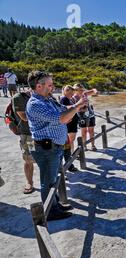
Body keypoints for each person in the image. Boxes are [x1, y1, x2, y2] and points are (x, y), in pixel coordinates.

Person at [26, 71, 88, 221]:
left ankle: (55, 204)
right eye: (49, 85)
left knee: (53, 179)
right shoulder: (35, 104)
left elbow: (64, 111)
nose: (53, 87)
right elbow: (61, 118)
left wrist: (77, 107)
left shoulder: (47, 100)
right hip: (46, 148)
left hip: (54, 146)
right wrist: (77, 106)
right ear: (38, 86)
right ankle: (50, 211)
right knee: (48, 181)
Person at [12, 89, 36, 194]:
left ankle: (51, 182)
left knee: (47, 157)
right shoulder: (19, 97)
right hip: (29, 135)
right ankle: (29, 182)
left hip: (44, 135)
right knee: (29, 159)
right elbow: (24, 117)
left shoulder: (44, 95)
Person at [59, 86, 79, 172]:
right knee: (65, 147)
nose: (72, 95)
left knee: (67, 147)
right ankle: (65, 168)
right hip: (67, 126)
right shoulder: (64, 99)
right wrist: (77, 105)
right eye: (71, 93)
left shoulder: (68, 99)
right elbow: (65, 110)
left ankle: (69, 165)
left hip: (68, 125)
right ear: (66, 91)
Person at [73, 84, 98, 151]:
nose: (81, 91)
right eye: (80, 90)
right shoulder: (74, 98)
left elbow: (93, 90)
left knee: (91, 131)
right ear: (75, 90)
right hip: (81, 116)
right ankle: (84, 146)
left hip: (90, 114)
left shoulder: (84, 94)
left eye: (82, 90)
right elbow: (73, 108)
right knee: (84, 131)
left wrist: (96, 92)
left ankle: (93, 145)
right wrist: (81, 109)